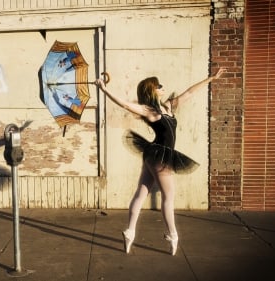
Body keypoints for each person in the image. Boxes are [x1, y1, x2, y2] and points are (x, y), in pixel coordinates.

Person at [95, 67, 226, 255]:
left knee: (142, 192)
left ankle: (130, 231)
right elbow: (124, 104)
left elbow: (190, 91)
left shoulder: (169, 106)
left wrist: (211, 78)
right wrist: (103, 89)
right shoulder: (149, 110)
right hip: (159, 155)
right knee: (169, 196)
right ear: (152, 90)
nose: (163, 87)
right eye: (159, 85)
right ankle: (173, 235)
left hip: (153, 154)